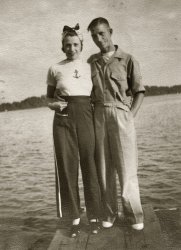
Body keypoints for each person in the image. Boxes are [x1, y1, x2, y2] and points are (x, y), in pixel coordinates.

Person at [87, 17, 145, 230]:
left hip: (122, 114)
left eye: (101, 33)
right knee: (103, 168)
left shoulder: (127, 59)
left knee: (127, 168)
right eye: (94, 36)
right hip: (98, 116)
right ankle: (109, 213)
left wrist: (130, 115)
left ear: (110, 31)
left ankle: (134, 216)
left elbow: (139, 91)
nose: (98, 39)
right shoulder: (90, 62)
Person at [46, 24, 100, 237]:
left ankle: (95, 216)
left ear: (82, 45)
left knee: (91, 164)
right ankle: (75, 218)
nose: (72, 49)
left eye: (75, 44)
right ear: (63, 47)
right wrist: (54, 105)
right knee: (67, 169)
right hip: (63, 120)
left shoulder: (90, 66)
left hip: (86, 116)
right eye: (67, 45)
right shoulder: (54, 68)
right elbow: (49, 98)